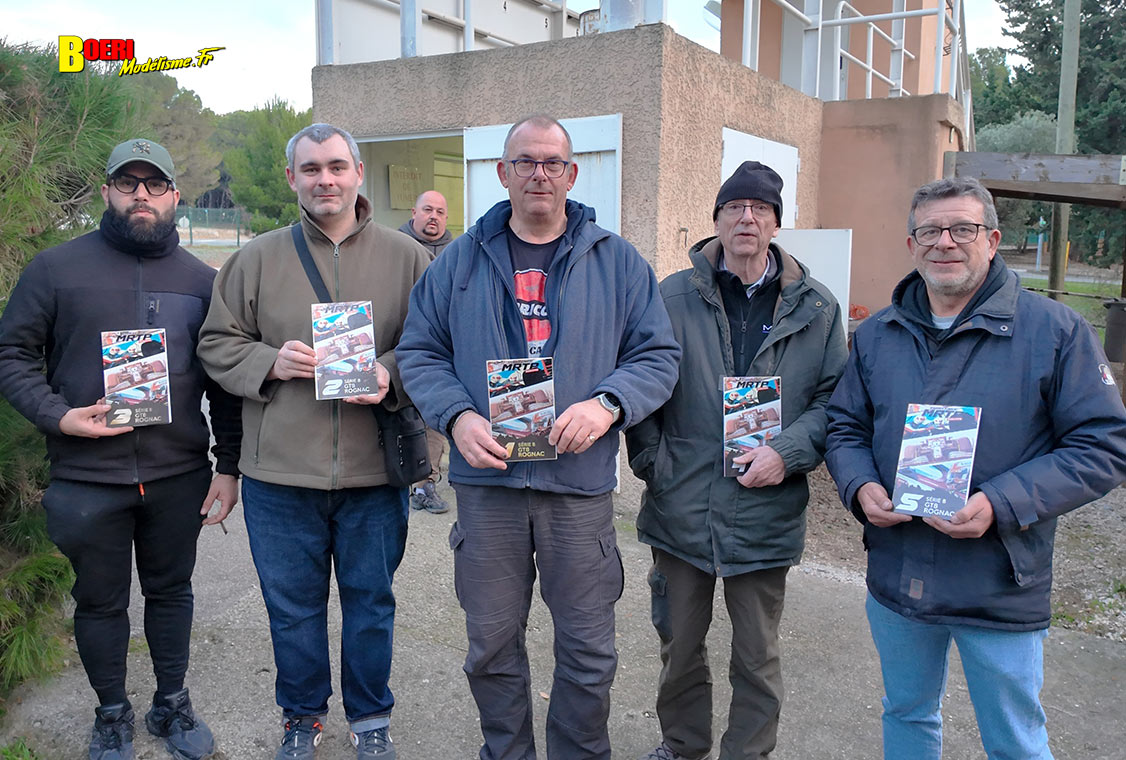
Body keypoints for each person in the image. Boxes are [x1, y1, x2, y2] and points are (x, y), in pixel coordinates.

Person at [397, 114, 680, 760]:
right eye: (525, 161)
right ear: (503, 173)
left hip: (577, 491)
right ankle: (508, 752)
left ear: (572, 173)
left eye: (553, 162)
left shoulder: (618, 262)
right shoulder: (459, 261)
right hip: (488, 486)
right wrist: (457, 416)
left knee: (587, 651)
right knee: (491, 645)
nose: (539, 174)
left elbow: (657, 356)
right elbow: (420, 350)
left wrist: (609, 405)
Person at [823, 176, 1126, 760]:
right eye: (930, 231)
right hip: (899, 577)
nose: (946, 243)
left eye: (963, 229)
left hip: (999, 582)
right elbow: (845, 426)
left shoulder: (1055, 332)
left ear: (992, 239)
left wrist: (1001, 502)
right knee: (907, 716)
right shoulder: (880, 334)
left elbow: (1104, 445)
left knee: (1014, 739)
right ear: (912, 244)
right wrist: (860, 485)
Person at [0, 138, 242, 760]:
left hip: (176, 475)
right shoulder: (55, 270)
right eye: (128, 182)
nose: (141, 194)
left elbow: (223, 384)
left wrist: (229, 467)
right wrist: (59, 417)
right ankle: (112, 713)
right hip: (86, 477)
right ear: (106, 190)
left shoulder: (201, 280)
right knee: (99, 600)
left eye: (154, 183)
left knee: (172, 592)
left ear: (174, 196)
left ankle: (171, 702)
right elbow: (12, 355)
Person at [197, 124, 430, 760]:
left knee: (371, 606)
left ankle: (371, 717)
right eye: (310, 169)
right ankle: (303, 716)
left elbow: (436, 346)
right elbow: (217, 343)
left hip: (373, 473)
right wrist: (272, 362)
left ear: (357, 172)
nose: (324, 180)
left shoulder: (408, 258)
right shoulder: (256, 259)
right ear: (292, 177)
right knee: (292, 610)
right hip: (279, 474)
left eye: (335, 166)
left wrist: (389, 372)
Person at [626, 161, 848, 760]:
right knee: (678, 645)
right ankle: (683, 744)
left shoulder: (817, 308)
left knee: (757, 655)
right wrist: (654, 462)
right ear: (717, 218)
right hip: (682, 508)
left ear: (777, 222)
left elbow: (837, 401)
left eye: (761, 209)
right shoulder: (670, 296)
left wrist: (788, 453)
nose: (747, 218)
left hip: (765, 510)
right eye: (734, 207)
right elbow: (642, 382)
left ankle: (747, 753)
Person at [397, 190, 453, 514]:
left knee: (433, 419)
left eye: (440, 212)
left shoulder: (456, 252)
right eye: (427, 209)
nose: (434, 216)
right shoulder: (392, 248)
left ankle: (424, 483)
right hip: (397, 348)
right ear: (413, 212)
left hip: (439, 351)